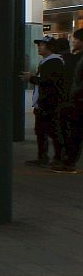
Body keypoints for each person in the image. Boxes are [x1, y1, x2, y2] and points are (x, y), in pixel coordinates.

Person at [21, 35, 66, 167]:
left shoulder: (54, 62)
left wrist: (31, 78)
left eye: (42, 45)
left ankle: (57, 157)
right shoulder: (47, 61)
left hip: (49, 104)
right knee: (42, 131)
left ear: (50, 47)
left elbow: (48, 82)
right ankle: (45, 157)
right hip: (44, 103)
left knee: (51, 131)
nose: (39, 47)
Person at [55, 28, 83, 173]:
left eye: (76, 39)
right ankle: (69, 161)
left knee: (75, 132)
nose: (73, 41)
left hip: (79, 101)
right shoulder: (78, 57)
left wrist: (74, 95)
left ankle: (69, 162)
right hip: (77, 99)